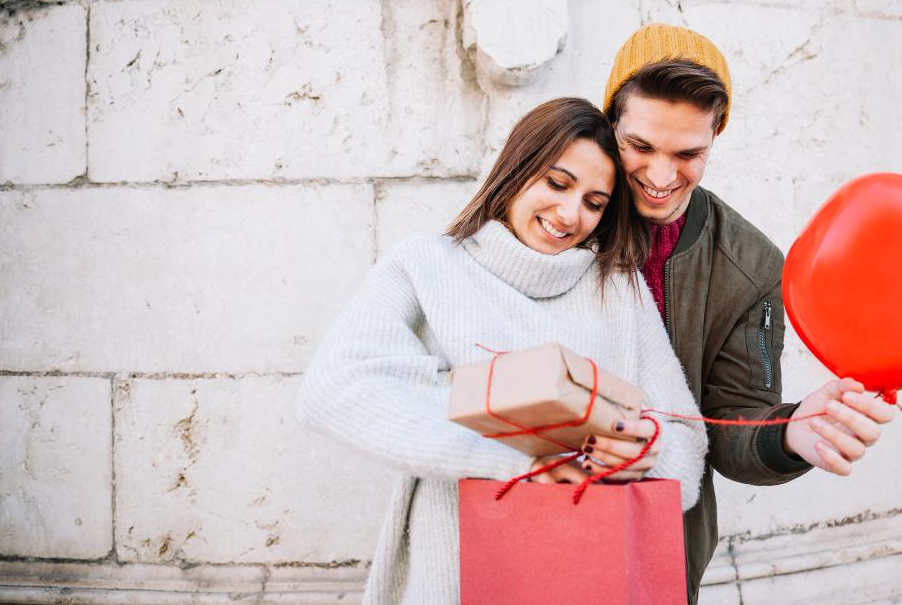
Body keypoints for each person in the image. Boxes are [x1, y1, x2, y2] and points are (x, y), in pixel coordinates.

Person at [295, 97, 708, 604]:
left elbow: (687, 452)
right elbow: (334, 389)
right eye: (557, 183)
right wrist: (520, 460)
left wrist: (646, 451)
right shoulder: (426, 265)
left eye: (594, 202)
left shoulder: (618, 289)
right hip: (453, 572)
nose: (569, 214)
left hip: (588, 575)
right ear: (517, 169)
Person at [593, 23, 897, 602]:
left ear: (717, 134)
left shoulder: (752, 265)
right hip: (523, 515)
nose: (661, 177)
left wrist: (791, 433)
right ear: (610, 124)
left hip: (661, 545)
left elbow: (731, 420)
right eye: (640, 147)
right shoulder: (557, 209)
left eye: (688, 154)